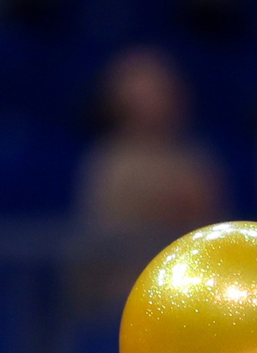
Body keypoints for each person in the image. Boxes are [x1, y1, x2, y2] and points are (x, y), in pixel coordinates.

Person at [77, 47, 225, 236]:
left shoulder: (198, 159)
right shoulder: (109, 163)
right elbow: (105, 239)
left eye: (160, 89)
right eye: (144, 91)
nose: (154, 101)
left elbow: (212, 227)